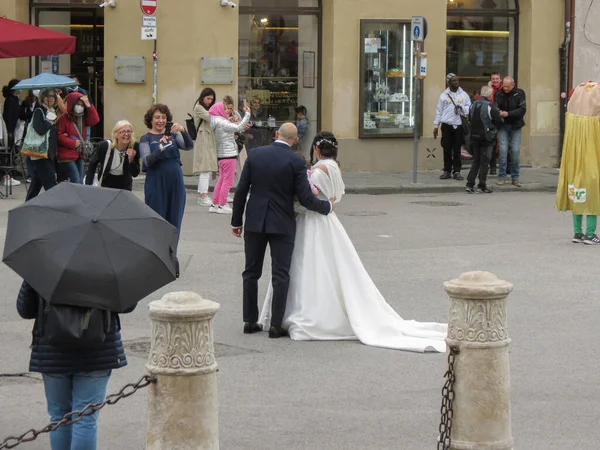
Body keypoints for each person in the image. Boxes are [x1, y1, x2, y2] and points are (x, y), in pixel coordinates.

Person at [257, 132, 447, 351]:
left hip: (312, 221)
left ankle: (306, 312)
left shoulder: (317, 171)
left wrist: (291, 207)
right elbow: (338, 194)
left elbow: (308, 200)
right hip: (330, 222)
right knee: (334, 266)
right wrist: (328, 203)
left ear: (317, 150)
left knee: (308, 265)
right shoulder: (336, 168)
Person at [231, 123, 333, 338]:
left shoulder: (255, 155)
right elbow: (305, 197)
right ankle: (276, 325)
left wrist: (236, 221)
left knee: (250, 272)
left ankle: (249, 321)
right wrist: (327, 207)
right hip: (282, 223)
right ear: (295, 140)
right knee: (281, 274)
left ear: (276, 134)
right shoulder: (296, 160)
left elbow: (241, 191)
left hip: (255, 221)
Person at [16, 281, 131, 450]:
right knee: (85, 419)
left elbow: (25, 310)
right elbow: (126, 305)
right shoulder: (107, 263)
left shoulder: (43, 261)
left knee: (59, 418)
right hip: (97, 352)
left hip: (53, 352)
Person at [556, 81, 600, 245]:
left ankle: (578, 232)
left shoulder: (574, 110)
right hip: (591, 158)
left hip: (574, 158)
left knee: (578, 193)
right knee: (592, 193)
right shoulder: (594, 120)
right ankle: (590, 234)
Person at [139, 104, 194, 235]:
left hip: (175, 182)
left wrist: (183, 131)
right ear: (151, 120)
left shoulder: (173, 136)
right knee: (157, 220)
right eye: (157, 117)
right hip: (156, 182)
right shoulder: (146, 138)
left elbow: (189, 146)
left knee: (175, 219)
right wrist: (160, 147)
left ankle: (171, 253)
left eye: (164, 117)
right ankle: (158, 253)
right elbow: (147, 161)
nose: (161, 121)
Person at [209, 96, 251, 214]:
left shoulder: (216, 121)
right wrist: (247, 115)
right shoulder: (222, 122)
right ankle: (222, 205)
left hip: (222, 155)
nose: (229, 111)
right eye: (227, 109)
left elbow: (235, 128)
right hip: (229, 154)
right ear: (220, 109)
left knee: (221, 180)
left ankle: (215, 203)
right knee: (227, 181)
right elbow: (238, 127)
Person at [465, 85, 503, 194]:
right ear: (490, 95)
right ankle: (482, 185)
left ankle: (470, 184)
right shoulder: (490, 106)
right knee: (485, 161)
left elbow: (471, 119)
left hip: (475, 137)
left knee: (476, 161)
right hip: (487, 137)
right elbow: (499, 121)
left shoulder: (473, 105)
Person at [433, 73, 471, 181]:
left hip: (458, 125)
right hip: (447, 125)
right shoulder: (443, 95)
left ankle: (457, 171)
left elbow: (469, 107)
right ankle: (447, 171)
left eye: (457, 80)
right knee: (447, 149)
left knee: (457, 149)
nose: (456, 82)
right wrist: (436, 126)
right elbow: (439, 111)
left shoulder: (463, 95)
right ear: (448, 83)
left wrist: (462, 108)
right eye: (454, 81)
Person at [56, 92, 100, 184]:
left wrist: (88, 105)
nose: (80, 107)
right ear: (72, 104)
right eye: (77, 104)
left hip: (80, 154)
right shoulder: (63, 118)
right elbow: (59, 136)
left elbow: (95, 119)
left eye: (82, 105)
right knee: (76, 180)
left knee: (79, 182)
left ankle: (73, 197)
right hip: (67, 155)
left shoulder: (83, 118)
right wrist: (73, 143)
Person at [25, 89, 59, 201]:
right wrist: (49, 120)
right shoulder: (39, 111)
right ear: (42, 98)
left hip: (48, 153)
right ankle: (56, 207)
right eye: (47, 96)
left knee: (37, 183)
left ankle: (27, 205)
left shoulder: (52, 111)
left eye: (53, 96)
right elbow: (40, 130)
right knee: (51, 183)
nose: (50, 99)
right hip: (40, 153)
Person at [85, 120, 140, 190]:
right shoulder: (105, 146)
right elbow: (92, 164)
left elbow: (135, 173)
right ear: (116, 134)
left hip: (125, 184)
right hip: (106, 182)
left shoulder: (134, 147)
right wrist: (88, 185)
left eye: (129, 131)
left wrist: (131, 160)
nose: (126, 134)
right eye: (123, 131)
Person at [494, 76, 527, 187]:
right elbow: (495, 107)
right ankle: (502, 176)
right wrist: (498, 112)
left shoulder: (520, 93)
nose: (506, 89)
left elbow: (522, 110)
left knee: (515, 151)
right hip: (503, 125)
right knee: (503, 151)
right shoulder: (498, 94)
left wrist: (508, 114)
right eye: (504, 86)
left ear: (513, 85)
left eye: (508, 86)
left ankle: (515, 177)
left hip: (516, 125)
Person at [192, 87, 218, 207]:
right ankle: (203, 195)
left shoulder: (208, 108)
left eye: (212, 99)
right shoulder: (199, 107)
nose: (210, 101)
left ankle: (204, 195)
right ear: (203, 97)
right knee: (205, 168)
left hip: (209, 139)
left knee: (208, 168)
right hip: (203, 139)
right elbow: (211, 117)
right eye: (208, 98)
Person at [2, 79, 21, 147]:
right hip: (11, 128)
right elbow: (8, 115)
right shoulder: (10, 99)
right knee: (11, 146)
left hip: (15, 126)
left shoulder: (15, 99)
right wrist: (9, 130)